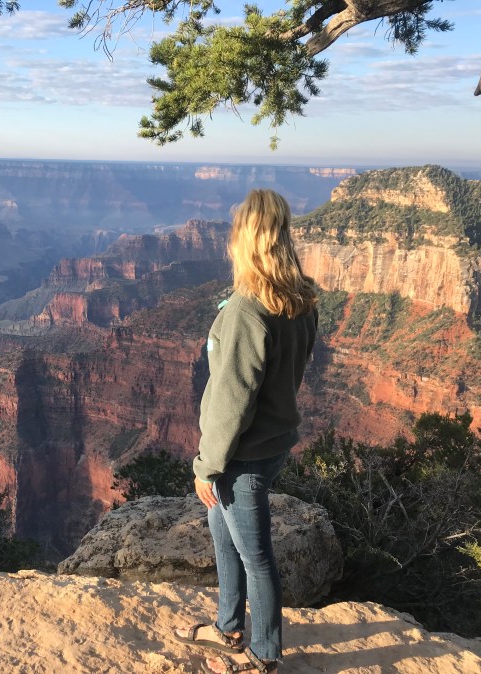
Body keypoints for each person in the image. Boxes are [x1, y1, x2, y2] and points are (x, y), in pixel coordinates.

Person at [172, 189, 318, 674]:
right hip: (271, 444)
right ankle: (228, 624)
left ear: (247, 240)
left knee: (256, 557)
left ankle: (265, 654)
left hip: (241, 456)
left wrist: (206, 466)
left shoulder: (245, 312)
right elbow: (292, 371)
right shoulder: (300, 300)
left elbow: (230, 405)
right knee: (223, 533)